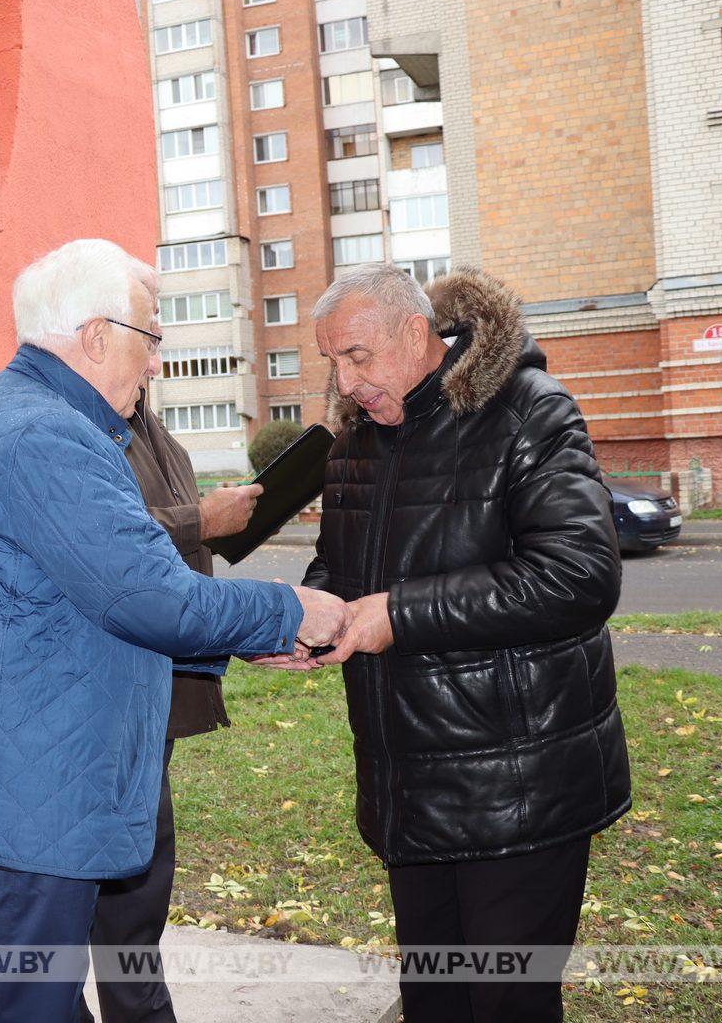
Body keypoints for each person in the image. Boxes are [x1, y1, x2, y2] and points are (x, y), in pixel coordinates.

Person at [0, 239, 348, 1022]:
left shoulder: (37, 419)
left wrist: (247, 639)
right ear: (95, 336)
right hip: (26, 806)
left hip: (27, 789)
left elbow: (94, 595)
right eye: (151, 340)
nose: (156, 364)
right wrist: (287, 610)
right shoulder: (46, 437)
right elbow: (151, 598)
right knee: (12, 1007)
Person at [303, 264, 631, 1023]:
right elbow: (344, 567)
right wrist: (316, 620)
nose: (346, 381)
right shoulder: (357, 441)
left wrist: (402, 614)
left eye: (357, 356)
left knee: (507, 1002)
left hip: (519, 788)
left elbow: (579, 575)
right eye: (333, 362)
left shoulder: (526, 409)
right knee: (436, 998)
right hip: (409, 784)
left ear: (416, 333)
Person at [77, 359, 263, 1023]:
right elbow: (94, 547)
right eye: (145, 335)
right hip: (94, 701)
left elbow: (166, 566)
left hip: (150, 692)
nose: (155, 358)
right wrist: (199, 521)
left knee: (136, 898)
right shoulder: (67, 430)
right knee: (80, 907)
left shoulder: (153, 428)